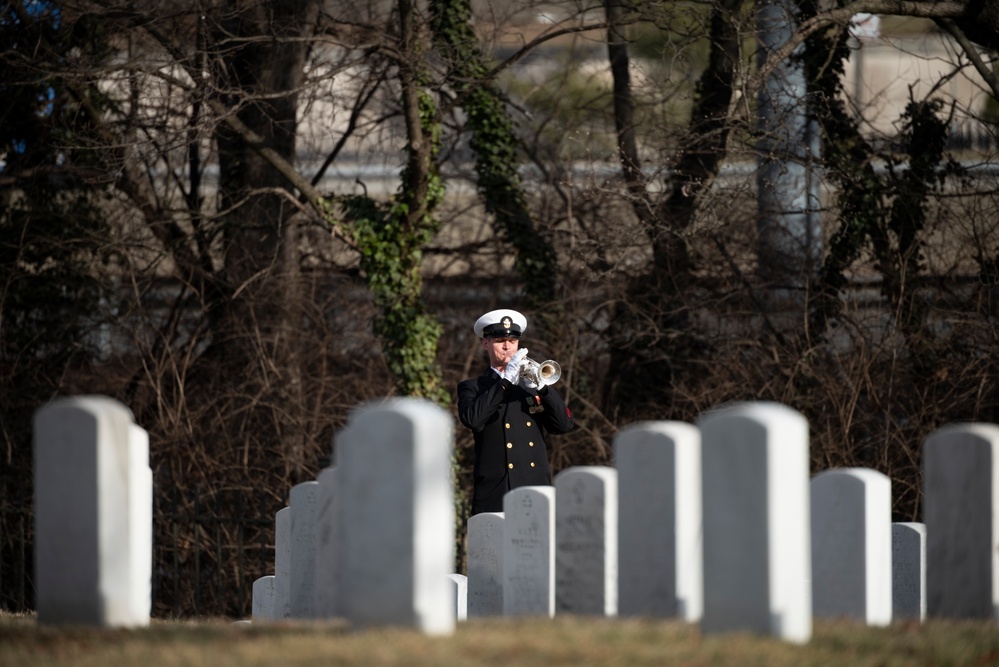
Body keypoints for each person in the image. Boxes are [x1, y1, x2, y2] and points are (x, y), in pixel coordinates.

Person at [457, 308, 575, 516]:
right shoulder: (474, 387)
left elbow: (563, 425)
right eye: (500, 340)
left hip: (535, 486)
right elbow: (472, 420)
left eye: (512, 341)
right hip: (497, 489)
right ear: (486, 344)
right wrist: (504, 383)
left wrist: (544, 388)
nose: (507, 347)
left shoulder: (530, 385)